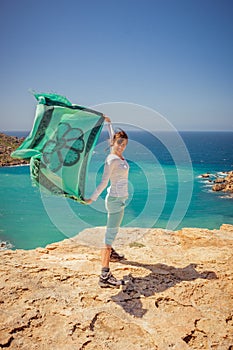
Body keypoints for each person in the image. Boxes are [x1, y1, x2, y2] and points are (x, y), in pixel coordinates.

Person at [85, 116, 129, 288]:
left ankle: (110, 254)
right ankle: (104, 275)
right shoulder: (111, 159)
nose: (121, 146)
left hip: (119, 199)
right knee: (109, 237)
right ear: (113, 143)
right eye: (119, 143)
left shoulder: (118, 155)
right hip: (115, 201)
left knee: (113, 230)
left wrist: (109, 123)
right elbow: (104, 181)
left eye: (124, 144)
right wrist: (92, 198)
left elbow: (113, 136)